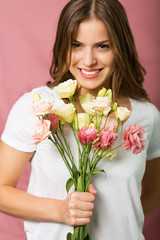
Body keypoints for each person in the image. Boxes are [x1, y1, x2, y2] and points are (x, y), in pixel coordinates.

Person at [0, 0, 160, 239]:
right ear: (63, 47)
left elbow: (154, 191)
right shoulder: (36, 107)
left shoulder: (146, 115)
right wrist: (61, 211)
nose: (88, 60)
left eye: (102, 46)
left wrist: (120, 223)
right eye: (76, 45)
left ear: (120, 48)